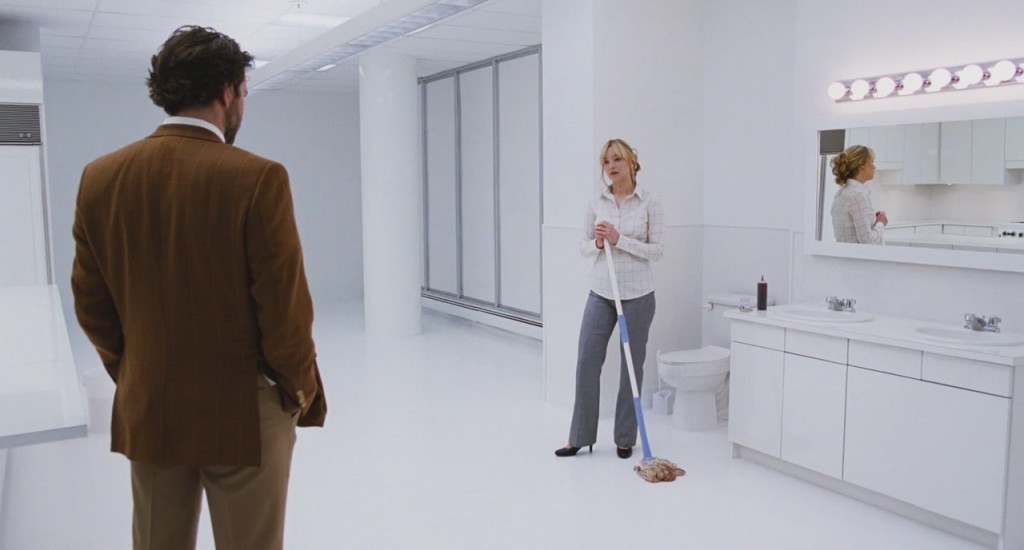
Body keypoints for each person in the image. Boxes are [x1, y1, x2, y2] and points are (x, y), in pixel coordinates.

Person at [71, 25, 326, 550]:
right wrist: (298, 391)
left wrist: (135, 371)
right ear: (228, 93)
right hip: (242, 411)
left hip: (151, 403)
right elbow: (284, 310)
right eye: (244, 93)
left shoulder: (99, 177)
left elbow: (91, 304)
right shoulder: (258, 178)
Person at [555, 138, 664, 459]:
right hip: (601, 292)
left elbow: (658, 251)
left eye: (617, 159)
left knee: (631, 367)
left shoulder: (650, 202)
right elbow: (583, 246)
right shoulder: (596, 202)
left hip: (638, 295)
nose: (611, 166)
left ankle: (625, 438)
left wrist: (620, 239)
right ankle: (580, 437)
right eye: (606, 161)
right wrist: (599, 244)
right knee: (587, 363)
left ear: (632, 162)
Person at [830, 144, 888, 244]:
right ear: (862, 165)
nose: (874, 166)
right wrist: (881, 222)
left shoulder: (842, 193)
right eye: (871, 162)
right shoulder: (858, 195)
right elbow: (868, 241)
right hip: (857, 254)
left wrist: (871, 217)